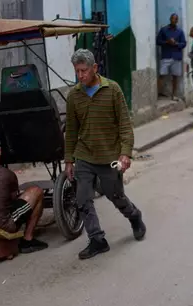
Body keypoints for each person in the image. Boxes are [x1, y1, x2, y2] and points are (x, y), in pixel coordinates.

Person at [65, 49, 146, 260]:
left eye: (84, 70)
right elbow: (72, 130)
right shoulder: (74, 95)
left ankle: (134, 216)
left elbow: (125, 126)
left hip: (109, 156)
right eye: (77, 71)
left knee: (115, 195)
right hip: (84, 155)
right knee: (83, 199)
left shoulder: (112, 89)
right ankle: (97, 239)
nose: (80, 75)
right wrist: (69, 160)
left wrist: (125, 153)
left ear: (94, 69)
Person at [156, 13, 187, 100]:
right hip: (166, 56)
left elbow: (184, 43)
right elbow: (158, 41)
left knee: (175, 77)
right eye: (173, 18)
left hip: (176, 56)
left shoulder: (180, 32)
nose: (174, 20)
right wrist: (167, 42)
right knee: (162, 75)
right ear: (170, 19)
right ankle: (156, 95)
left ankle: (174, 95)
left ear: (177, 21)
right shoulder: (163, 30)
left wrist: (176, 43)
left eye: (176, 19)